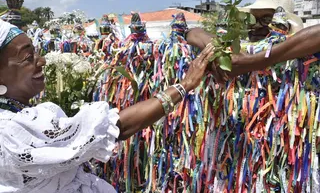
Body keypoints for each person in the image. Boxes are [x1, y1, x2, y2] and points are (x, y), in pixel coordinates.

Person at [0, 19, 214, 193]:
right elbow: (117, 127)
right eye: (28, 58)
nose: (42, 61)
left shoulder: (17, 113)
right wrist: (185, 85)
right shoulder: (11, 130)